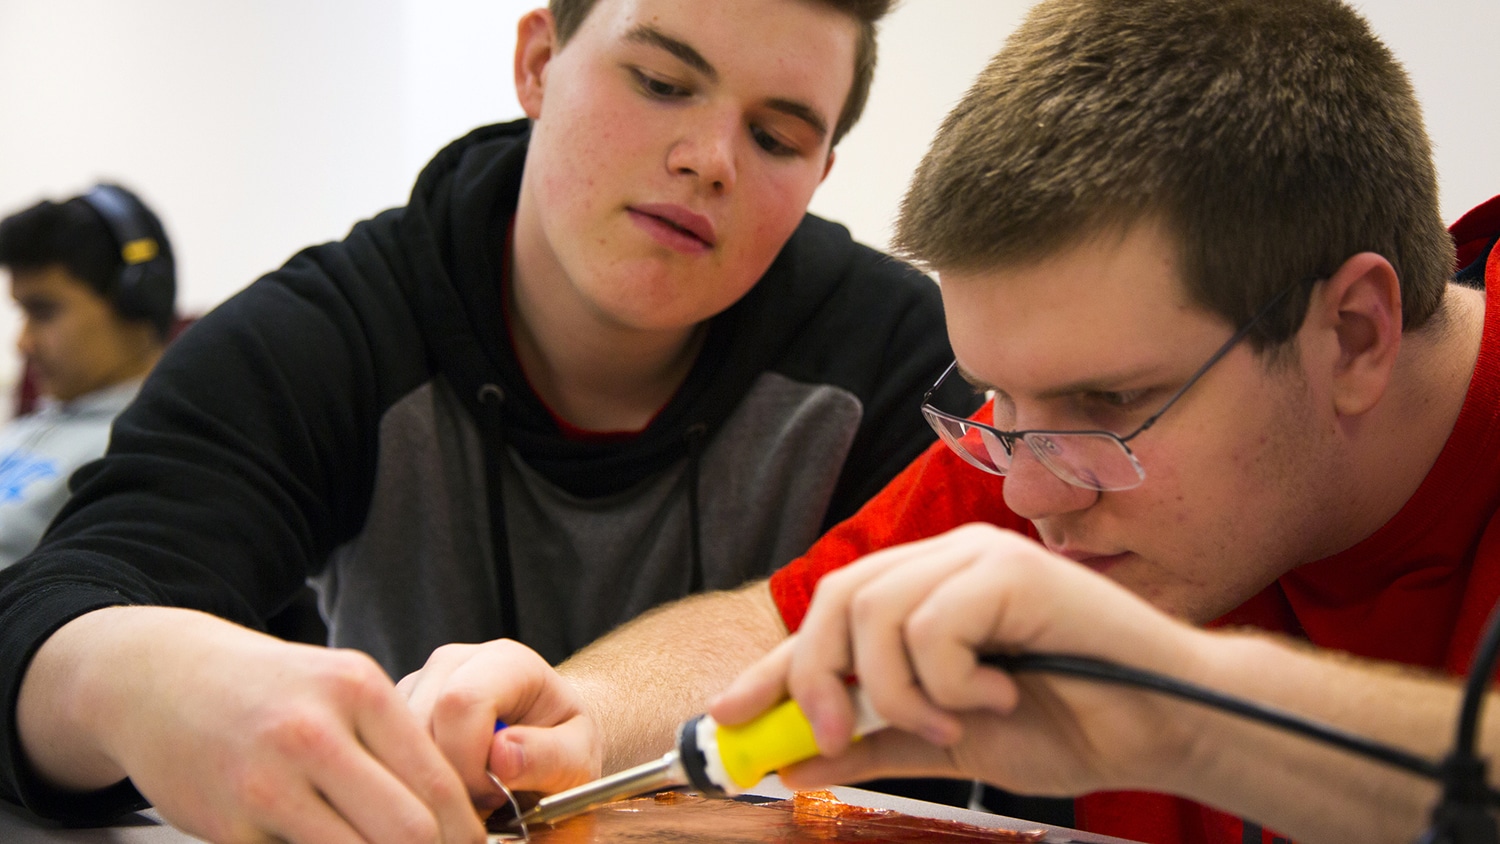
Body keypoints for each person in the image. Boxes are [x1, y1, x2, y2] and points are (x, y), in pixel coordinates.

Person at [392, 0, 1500, 842]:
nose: (1025, 496)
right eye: (996, 403)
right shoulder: (1060, 449)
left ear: (1353, 332)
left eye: (1108, 403)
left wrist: (1171, 713)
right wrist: (580, 716)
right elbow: (777, 627)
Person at [0, 0, 973, 841]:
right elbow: (60, 606)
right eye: (662, 81)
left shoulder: (907, 360)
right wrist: (135, 680)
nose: (709, 159)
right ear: (539, 63)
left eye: (777, 138)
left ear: (823, 170)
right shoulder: (329, 335)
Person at [0, 184, 176, 569]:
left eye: (43, 312)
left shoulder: (145, 448)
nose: (23, 343)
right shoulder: (29, 427)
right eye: (22, 313)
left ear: (137, 301)